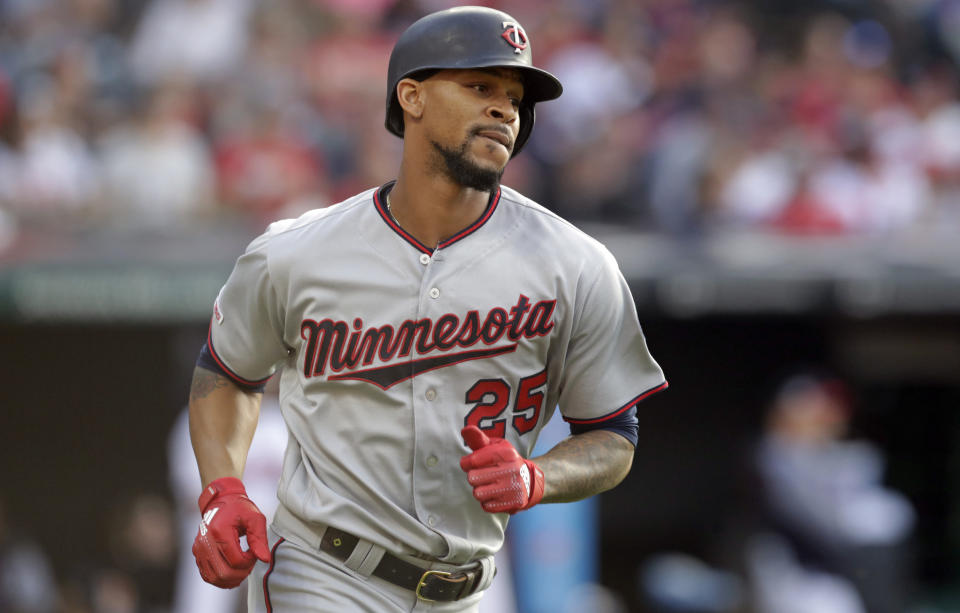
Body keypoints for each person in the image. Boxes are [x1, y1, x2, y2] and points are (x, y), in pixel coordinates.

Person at [185, 6, 667, 612]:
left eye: (515, 97)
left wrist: (540, 476)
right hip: (327, 571)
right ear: (410, 97)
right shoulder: (297, 253)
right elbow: (227, 372)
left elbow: (613, 436)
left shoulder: (575, 264)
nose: (505, 110)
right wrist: (222, 491)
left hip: (470, 586)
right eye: (480, 86)